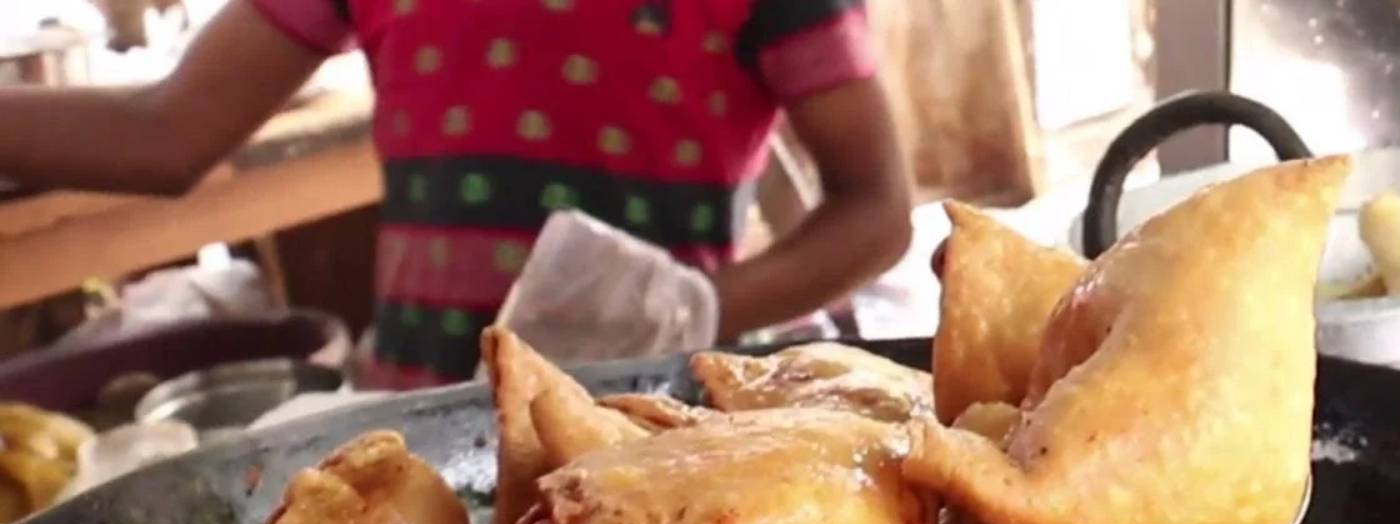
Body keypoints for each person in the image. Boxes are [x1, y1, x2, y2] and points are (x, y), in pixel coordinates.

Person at [0, 0, 913, 387]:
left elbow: (875, 210)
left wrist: (698, 306)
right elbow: (168, 133)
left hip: (652, 426)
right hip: (417, 427)